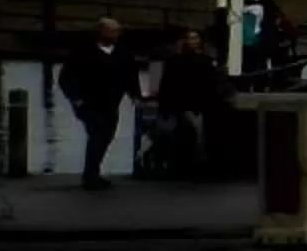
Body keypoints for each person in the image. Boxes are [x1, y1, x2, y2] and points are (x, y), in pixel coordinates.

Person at [58, 16, 141, 189]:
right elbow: (66, 76)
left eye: (118, 31)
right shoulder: (83, 51)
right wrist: (75, 97)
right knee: (98, 133)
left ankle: (92, 172)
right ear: (101, 31)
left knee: (106, 136)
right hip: (88, 102)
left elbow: (130, 75)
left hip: (111, 102)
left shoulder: (122, 52)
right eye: (112, 31)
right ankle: (90, 176)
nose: (116, 34)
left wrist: (135, 95)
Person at [154, 28, 226, 177]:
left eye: (195, 38)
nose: (192, 41)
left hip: (198, 105)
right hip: (185, 104)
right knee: (192, 136)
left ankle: (190, 166)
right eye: (189, 38)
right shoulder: (178, 61)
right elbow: (167, 84)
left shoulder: (204, 61)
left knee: (193, 136)